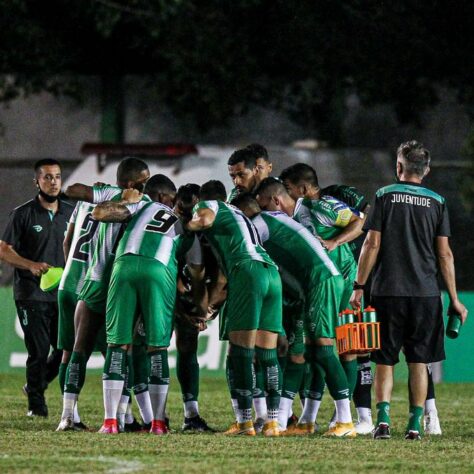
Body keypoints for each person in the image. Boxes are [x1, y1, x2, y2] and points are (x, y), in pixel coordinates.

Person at [350, 140, 468, 440]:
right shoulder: (438, 202)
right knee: (419, 361)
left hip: (387, 291)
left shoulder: (384, 196)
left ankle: (384, 421)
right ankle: (415, 423)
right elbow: (445, 254)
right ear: (426, 170)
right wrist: (454, 298)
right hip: (425, 294)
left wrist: (359, 286)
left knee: (384, 360)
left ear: (399, 167)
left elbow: (371, 244)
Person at [91, 174, 199, 435]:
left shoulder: (142, 205)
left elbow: (99, 213)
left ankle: (110, 422)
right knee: (157, 348)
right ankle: (158, 423)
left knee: (117, 345)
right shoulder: (187, 227)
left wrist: (126, 202)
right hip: (159, 271)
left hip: (124, 265)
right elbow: (195, 270)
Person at [254, 178, 356, 438]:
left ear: (275, 201)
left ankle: (345, 421)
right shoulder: (285, 220)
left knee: (323, 350)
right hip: (314, 283)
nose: (259, 209)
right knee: (308, 352)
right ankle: (306, 422)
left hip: (321, 281)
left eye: (262, 203)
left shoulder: (263, 222)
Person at [58, 157, 150, 430]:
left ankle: (68, 416)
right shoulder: (141, 205)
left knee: (79, 350)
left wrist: (105, 194)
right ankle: (121, 418)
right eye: (144, 180)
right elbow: (77, 193)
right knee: (121, 348)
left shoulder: (107, 194)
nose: (146, 185)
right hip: (114, 284)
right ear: (134, 183)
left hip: (91, 279)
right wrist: (120, 199)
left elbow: (72, 191)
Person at [187, 180, 283, 437]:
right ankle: (273, 423)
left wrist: (188, 224)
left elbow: (203, 220)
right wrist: (209, 309)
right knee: (267, 355)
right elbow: (221, 280)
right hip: (271, 273)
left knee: (240, 353)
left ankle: (245, 424)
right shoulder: (239, 216)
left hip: (248, 272)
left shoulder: (212, 205)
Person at [279, 165, 366, 433]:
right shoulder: (302, 208)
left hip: (334, 282)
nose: (286, 193)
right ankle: (308, 419)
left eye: (289, 188)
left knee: (331, 347)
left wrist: (335, 242)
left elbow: (360, 221)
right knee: (317, 348)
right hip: (323, 282)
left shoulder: (323, 205)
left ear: (302, 188)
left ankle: (345, 419)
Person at [0, 159, 74, 417]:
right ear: (37, 181)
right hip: (31, 293)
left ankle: (36, 384)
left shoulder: (71, 212)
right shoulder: (23, 214)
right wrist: (29, 265)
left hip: (63, 292)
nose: (53, 182)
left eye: (57, 177)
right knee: (39, 351)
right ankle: (37, 406)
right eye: (47, 177)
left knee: (67, 347)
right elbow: (4, 250)